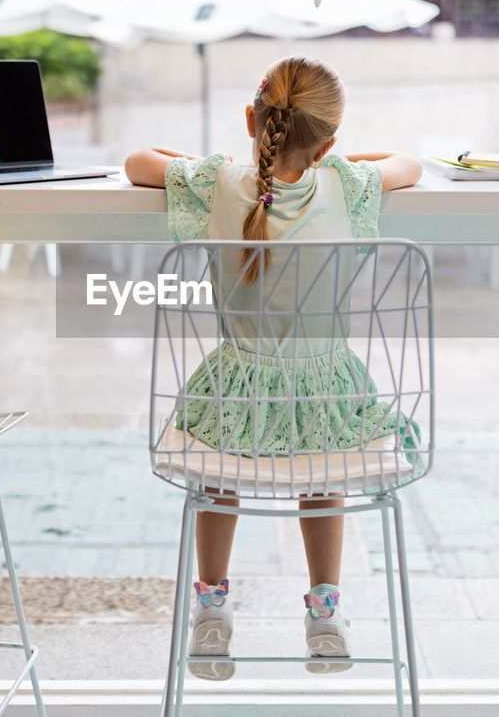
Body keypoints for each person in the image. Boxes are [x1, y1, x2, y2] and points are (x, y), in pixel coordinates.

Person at [124, 56, 422, 679]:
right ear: (329, 144)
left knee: (217, 472)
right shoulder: (346, 183)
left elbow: (138, 162)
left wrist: (213, 165)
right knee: (324, 469)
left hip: (236, 397)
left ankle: (211, 603)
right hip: (325, 398)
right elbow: (408, 165)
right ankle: (324, 611)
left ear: (252, 121)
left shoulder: (219, 183)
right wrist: (336, 162)